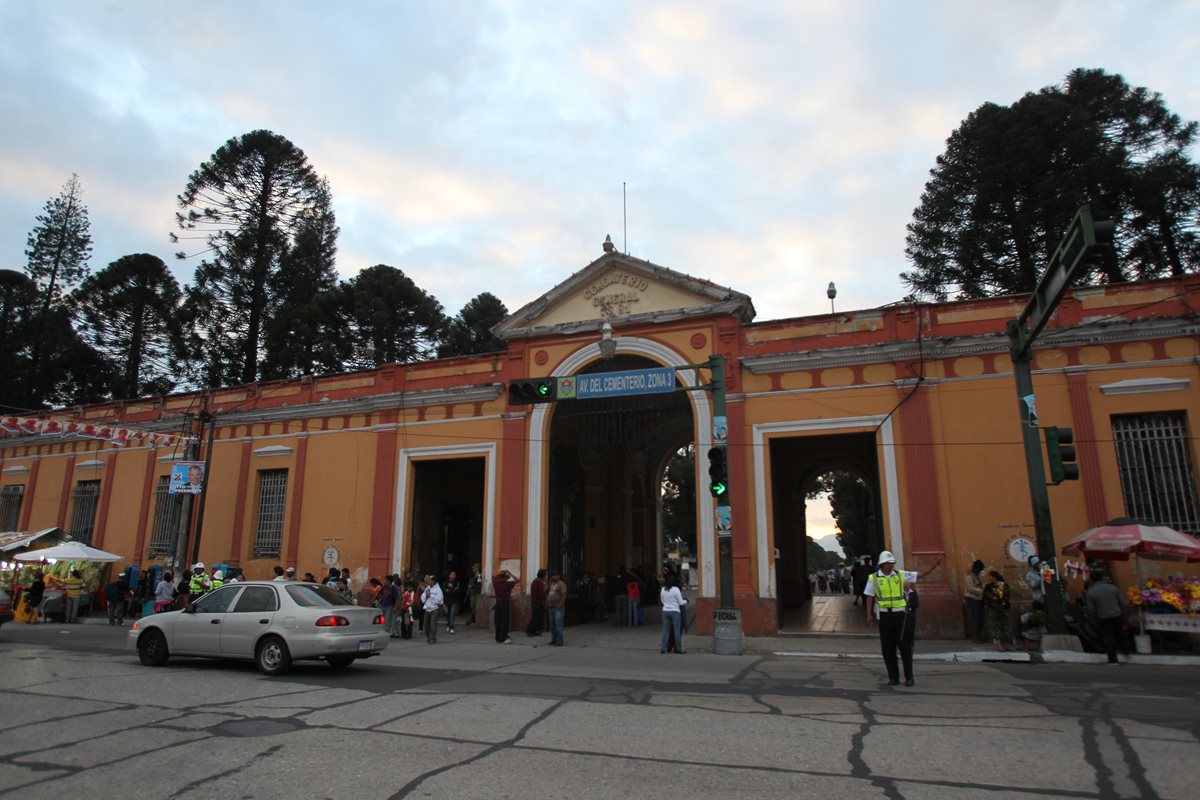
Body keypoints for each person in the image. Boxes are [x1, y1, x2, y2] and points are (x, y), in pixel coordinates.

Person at [865, 550, 941, 687]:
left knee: (905, 646)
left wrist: (934, 565)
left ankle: (909, 677)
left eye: (892, 563)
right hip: (884, 615)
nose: (891, 566)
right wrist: (869, 614)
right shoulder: (873, 578)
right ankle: (893, 677)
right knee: (888, 648)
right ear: (882, 564)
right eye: (889, 563)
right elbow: (870, 596)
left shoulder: (901, 575)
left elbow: (920, 575)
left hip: (900, 615)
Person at [1085, 572, 1129, 665]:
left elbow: (1091, 609)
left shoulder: (1091, 592)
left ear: (1092, 580)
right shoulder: (1113, 588)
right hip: (1117, 614)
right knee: (1120, 633)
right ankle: (1126, 651)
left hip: (1103, 617)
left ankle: (1113, 659)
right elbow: (1123, 603)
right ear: (1102, 578)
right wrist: (1124, 614)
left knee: (1108, 638)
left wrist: (1093, 619)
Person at [982, 570, 1013, 651]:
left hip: (1004, 609)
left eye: (990, 576)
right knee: (995, 626)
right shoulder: (988, 587)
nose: (988, 578)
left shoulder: (1002, 585)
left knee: (1005, 625)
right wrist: (993, 604)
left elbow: (1006, 596)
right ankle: (999, 644)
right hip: (993, 609)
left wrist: (1001, 604)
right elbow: (986, 597)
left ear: (994, 577)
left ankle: (1004, 643)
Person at [660, 574, 688, 654]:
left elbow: (662, 601)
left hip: (665, 611)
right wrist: (686, 601)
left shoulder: (663, 589)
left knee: (665, 630)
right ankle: (678, 648)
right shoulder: (676, 589)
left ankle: (662, 648)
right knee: (676, 630)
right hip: (675, 611)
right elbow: (681, 602)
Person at [492, 568, 518, 643]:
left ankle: (498, 637)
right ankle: (503, 638)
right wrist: (510, 574)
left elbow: (493, 577)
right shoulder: (507, 584)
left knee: (497, 620)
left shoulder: (495, 583)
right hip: (505, 603)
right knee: (505, 621)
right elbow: (518, 580)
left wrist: (500, 573)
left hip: (498, 603)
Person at [963, 559, 986, 642]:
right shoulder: (969, 576)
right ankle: (976, 636)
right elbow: (970, 588)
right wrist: (982, 591)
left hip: (978, 598)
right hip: (972, 598)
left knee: (980, 617)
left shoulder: (976, 576)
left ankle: (979, 635)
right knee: (976, 617)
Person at [420, 575, 443, 643]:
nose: (428, 581)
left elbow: (439, 600)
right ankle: (428, 637)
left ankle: (433, 638)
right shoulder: (428, 588)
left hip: (434, 609)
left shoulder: (438, 590)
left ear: (433, 581)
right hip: (427, 608)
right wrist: (426, 596)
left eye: (430, 580)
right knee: (426, 625)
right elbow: (422, 598)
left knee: (433, 625)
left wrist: (431, 595)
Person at [546, 570, 567, 646]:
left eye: (555, 575)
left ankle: (559, 640)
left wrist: (560, 605)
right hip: (551, 607)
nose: (553, 577)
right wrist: (549, 583)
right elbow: (545, 590)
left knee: (558, 625)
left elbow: (564, 595)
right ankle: (554, 639)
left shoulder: (561, 584)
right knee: (552, 625)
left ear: (558, 576)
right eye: (552, 575)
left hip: (558, 607)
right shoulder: (552, 584)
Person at [526, 569, 547, 637]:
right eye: (544, 575)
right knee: (535, 618)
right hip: (536, 603)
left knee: (538, 618)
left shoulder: (540, 582)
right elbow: (534, 593)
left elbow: (542, 593)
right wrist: (534, 603)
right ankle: (529, 630)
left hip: (540, 602)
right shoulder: (536, 582)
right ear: (543, 576)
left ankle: (534, 631)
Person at [443, 570, 461, 634]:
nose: (453, 576)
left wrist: (449, 591)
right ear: (449, 575)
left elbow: (456, 591)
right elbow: (444, 591)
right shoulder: (446, 582)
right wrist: (450, 591)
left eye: (454, 574)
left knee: (452, 614)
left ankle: (452, 627)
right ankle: (448, 624)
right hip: (447, 601)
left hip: (454, 601)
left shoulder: (457, 582)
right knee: (448, 614)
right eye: (451, 574)